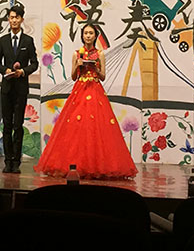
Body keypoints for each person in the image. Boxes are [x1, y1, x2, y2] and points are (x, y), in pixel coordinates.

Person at [35, 23, 137, 179]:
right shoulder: (77, 53)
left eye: (91, 33)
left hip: (95, 89)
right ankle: (76, 164)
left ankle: (98, 165)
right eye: (86, 33)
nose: (88, 36)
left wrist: (95, 68)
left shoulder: (100, 54)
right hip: (80, 90)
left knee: (97, 126)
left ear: (95, 36)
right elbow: (73, 77)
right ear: (82, 36)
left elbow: (103, 76)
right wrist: (78, 65)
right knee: (76, 126)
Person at [0, 4, 39, 174]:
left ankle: (16, 162)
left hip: (21, 88)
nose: (14, 20)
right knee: (7, 125)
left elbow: (34, 64)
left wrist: (23, 72)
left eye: (17, 18)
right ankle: (7, 161)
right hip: (6, 88)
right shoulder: (4, 40)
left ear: (21, 19)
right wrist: (5, 70)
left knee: (18, 125)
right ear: (8, 19)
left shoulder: (28, 41)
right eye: (11, 17)